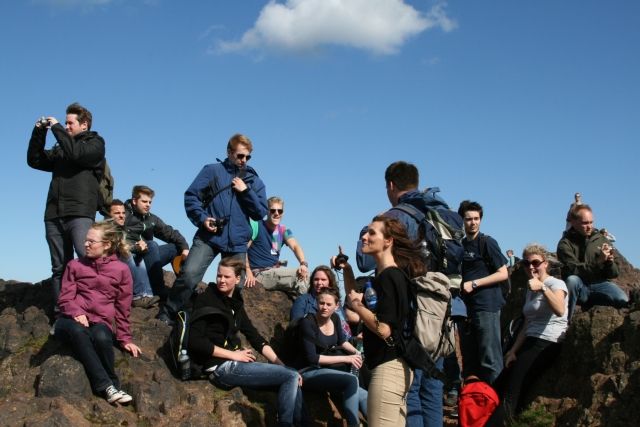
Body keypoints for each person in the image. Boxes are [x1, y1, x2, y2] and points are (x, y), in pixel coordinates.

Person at [355, 161, 452, 427]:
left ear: (390, 185)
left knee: (412, 397)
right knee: (433, 390)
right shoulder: (437, 211)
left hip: (409, 324)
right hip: (438, 314)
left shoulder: (395, 217)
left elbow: (364, 263)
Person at [157, 134, 267, 325]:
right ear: (229, 152)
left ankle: (219, 324)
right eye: (240, 156)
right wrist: (202, 219)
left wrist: (246, 191)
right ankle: (169, 312)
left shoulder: (254, 181)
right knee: (190, 274)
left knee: (234, 286)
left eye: (247, 157)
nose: (244, 161)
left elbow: (260, 213)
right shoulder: (212, 171)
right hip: (209, 236)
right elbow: (191, 197)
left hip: (237, 241)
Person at [188, 258, 303, 427]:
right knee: (291, 376)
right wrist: (234, 355)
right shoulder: (206, 299)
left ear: (237, 279)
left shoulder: (235, 302)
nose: (221, 280)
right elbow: (195, 341)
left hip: (234, 361)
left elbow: (254, 336)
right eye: (219, 275)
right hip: (219, 367)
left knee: (291, 374)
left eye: (227, 277)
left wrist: (281, 365)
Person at [342, 215, 424, 426]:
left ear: (388, 241)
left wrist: (359, 307)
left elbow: (384, 329)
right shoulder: (389, 276)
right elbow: (354, 299)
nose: (364, 237)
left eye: (371, 233)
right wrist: (347, 270)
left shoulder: (389, 277)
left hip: (387, 371)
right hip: (398, 369)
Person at [27, 103, 105, 310]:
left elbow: (76, 155)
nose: (67, 126)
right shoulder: (61, 149)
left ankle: (94, 311)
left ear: (84, 125)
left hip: (80, 211)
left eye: (70, 123)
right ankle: (63, 314)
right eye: (66, 123)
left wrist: (57, 128)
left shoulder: (95, 144)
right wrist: (38, 132)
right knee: (60, 268)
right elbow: (34, 160)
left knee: (87, 261)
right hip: (54, 214)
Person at [54, 221, 141, 404]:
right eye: (86, 240)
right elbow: (65, 298)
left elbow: (123, 308)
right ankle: (109, 387)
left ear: (107, 245)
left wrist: (125, 339)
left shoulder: (122, 270)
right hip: (69, 320)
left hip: (100, 321)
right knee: (78, 332)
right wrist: (76, 312)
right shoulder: (75, 265)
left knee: (102, 337)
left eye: (91, 242)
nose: (85, 244)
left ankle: (111, 386)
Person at [487, 244, 568, 425]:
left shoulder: (556, 284)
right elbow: (527, 322)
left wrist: (543, 288)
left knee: (511, 392)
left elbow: (560, 310)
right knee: (498, 386)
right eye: (526, 263)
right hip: (529, 340)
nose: (531, 267)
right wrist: (513, 351)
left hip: (546, 342)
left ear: (545, 264)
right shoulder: (529, 288)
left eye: (535, 262)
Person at [294, 287, 367, 427]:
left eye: (329, 304)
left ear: (336, 306)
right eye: (321, 303)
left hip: (327, 370)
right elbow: (313, 359)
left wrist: (356, 353)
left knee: (364, 394)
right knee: (351, 380)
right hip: (307, 371)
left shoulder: (335, 318)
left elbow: (342, 341)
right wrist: (347, 359)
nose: (324, 307)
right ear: (316, 302)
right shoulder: (307, 323)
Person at [457, 200, 509, 385]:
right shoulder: (461, 245)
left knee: (490, 357)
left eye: (476, 218)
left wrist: (475, 284)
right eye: (469, 219)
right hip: (466, 309)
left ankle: (498, 404)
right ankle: (475, 404)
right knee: (470, 358)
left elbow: (503, 273)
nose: (473, 222)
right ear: (462, 220)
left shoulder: (487, 242)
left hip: (487, 305)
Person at [557, 204, 628, 318]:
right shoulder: (565, 244)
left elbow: (614, 274)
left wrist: (609, 262)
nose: (589, 226)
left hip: (599, 283)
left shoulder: (601, 240)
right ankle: (566, 322)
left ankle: (593, 307)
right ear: (574, 223)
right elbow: (573, 270)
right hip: (580, 286)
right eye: (585, 223)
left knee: (623, 300)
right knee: (572, 280)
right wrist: (598, 262)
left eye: (591, 222)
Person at [123, 185, 189, 306]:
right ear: (134, 200)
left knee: (175, 247)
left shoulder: (151, 218)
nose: (148, 204)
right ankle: (158, 290)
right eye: (144, 201)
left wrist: (185, 248)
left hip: (147, 255)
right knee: (152, 244)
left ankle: (185, 285)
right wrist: (134, 246)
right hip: (130, 257)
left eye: (150, 202)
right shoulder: (122, 214)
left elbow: (170, 232)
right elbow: (115, 238)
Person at [245, 196, 309, 296]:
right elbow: (242, 249)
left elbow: (295, 246)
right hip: (259, 274)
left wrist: (303, 263)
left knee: (312, 277)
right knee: (299, 276)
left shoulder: (283, 230)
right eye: (273, 210)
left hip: (275, 271)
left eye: (280, 211)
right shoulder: (256, 225)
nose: (276, 213)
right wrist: (248, 271)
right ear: (267, 211)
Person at [290, 265, 354, 339]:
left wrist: (354, 340)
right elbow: (295, 327)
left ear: (330, 282)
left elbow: (344, 330)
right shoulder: (302, 300)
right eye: (316, 279)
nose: (319, 282)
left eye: (323, 280)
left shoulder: (336, 303)